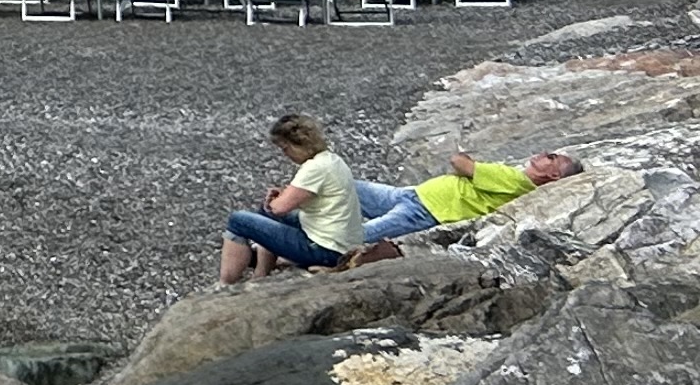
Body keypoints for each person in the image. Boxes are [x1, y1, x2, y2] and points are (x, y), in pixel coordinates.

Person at [220, 111, 367, 282]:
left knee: (238, 220)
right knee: (265, 212)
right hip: (341, 244)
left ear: (296, 145)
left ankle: (225, 284)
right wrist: (279, 200)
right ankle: (261, 273)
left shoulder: (314, 168)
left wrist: (274, 201)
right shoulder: (332, 160)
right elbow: (306, 196)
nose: (285, 155)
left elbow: (279, 209)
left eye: (285, 148)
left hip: (326, 250)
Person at [356, 150, 581, 247]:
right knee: (344, 188)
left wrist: (465, 159)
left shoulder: (513, 178)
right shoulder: (522, 188)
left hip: (424, 210)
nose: (543, 155)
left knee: (354, 232)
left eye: (551, 157)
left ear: (554, 175)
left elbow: (458, 162)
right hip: (414, 196)